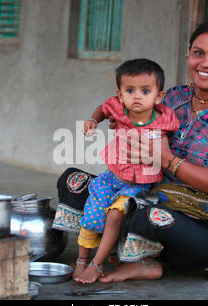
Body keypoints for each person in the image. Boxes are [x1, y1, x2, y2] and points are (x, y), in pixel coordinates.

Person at [52, 17, 208, 283]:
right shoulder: (172, 97)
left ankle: (144, 259)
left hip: (205, 222)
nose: (205, 64)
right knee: (74, 182)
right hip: (147, 196)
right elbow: (129, 114)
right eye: (198, 53)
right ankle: (128, 250)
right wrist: (123, 124)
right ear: (188, 55)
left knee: (151, 219)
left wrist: (167, 160)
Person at [71, 59, 179, 284]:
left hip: (138, 185)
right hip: (112, 178)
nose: (137, 96)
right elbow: (102, 108)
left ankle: (97, 263)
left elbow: (167, 149)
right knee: (91, 215)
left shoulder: (164, 120)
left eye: (145, 91)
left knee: (114, 215)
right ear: (120, 95)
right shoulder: (119, 110)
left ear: (159, 96)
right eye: (130, 90)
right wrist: (93, 120)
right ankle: (81, 259)